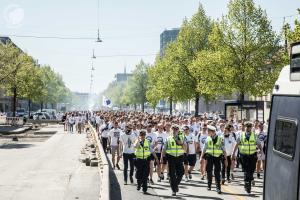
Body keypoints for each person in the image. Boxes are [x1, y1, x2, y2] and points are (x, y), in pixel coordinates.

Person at [232, 122, 263, 194]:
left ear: (251, 128)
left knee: (252, 170)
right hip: (244, 156)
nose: (248, 128)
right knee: (246, 171)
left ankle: (249, 181)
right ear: (245, 127)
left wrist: (261, 152)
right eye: (247, 127)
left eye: (249, 127)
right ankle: (247, 185)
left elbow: (259, 144)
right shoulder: (241, 135)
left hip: (252, 155)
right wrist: (233, 153)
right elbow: (236, 144)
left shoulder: (254, 135)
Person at [200, 125, 227, 194]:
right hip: (209, 156)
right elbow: (204, 148)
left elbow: (224, 149)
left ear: (212, 132)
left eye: (208, 131)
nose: (207, 132)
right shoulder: (207, 138)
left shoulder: (220, 138)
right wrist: (201, 157)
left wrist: (226, 159)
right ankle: (209, 185)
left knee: (217, 172)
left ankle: (218, 188)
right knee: (209, 171)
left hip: (218, 157)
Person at [161, 124, 185, 196]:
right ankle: (173, 190)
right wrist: (162, 157)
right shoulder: (168, 138)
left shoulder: (182, 137)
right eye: (173, 129)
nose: (175, 131)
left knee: (181, 173)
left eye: (176, 129)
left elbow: (184, 146)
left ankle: (175, 185)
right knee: (172, 174)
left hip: (180, 157)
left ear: (178, 130)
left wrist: (178, 140)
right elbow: (164, 148)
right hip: (171, 157)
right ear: (171, 130)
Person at [134, 130, 158, 194]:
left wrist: (156, 158)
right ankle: (139, 184)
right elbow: (135, 146)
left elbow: (151, 150)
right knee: (139, 174)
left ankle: (145, 189)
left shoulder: (147, 142)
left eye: (144, 135)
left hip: (146, 160)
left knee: (145, 175)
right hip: (139, 160)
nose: (142, 136)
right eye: (141, 135)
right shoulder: (137, 141)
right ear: (139, 135)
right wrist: (138, 141)